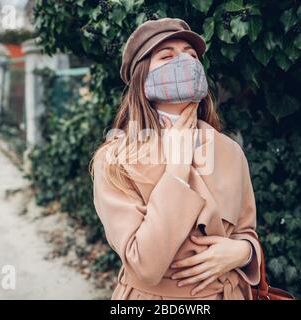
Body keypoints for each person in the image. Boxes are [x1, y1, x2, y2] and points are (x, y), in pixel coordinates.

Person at [90, 17, 261, 300]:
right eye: (167, 56)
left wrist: (243, 252)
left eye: (192, 55)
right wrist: (178, 168)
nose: (185, 62)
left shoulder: (230, 150)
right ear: (142, 78)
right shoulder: (115, 159)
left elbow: (246, 232)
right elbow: (143, 265)